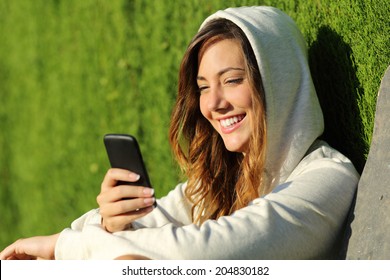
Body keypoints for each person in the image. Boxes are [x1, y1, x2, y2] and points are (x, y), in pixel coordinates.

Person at [0, 6, 359, 260]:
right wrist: (109, 224)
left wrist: (64, 248)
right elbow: (152, 229)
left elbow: (193, 256)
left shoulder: (327, 179)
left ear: (280, 83)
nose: (213, 104)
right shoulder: (221, 182)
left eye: (232, 81)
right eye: (203, 87)